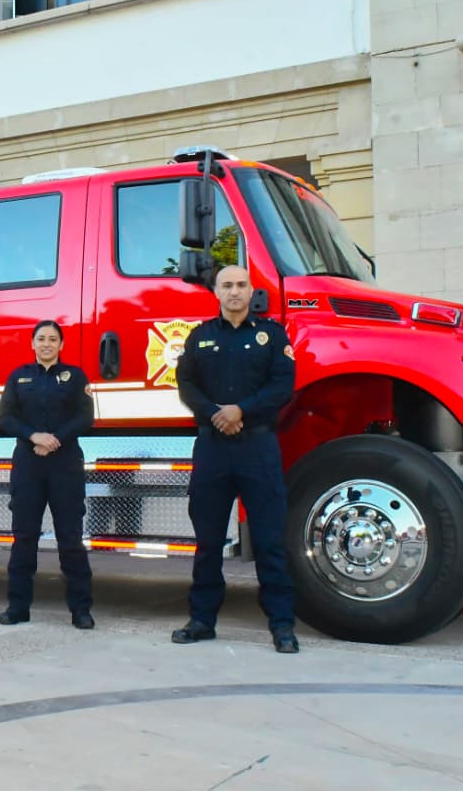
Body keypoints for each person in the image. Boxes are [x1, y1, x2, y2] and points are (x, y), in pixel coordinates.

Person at [172, 265, 299, 653]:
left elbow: (283, 385)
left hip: (257, 448)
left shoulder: (272, 336)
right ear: (216, 293)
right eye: (227, 285)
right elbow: (186, 384)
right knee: (208, 541)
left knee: (269, 541)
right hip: (212, 448)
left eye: (241, 285)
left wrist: (240, 410)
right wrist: (216, 413)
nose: (235, 292)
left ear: (250, 292)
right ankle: (202, 620)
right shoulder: (200, 337)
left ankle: (281, 626)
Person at [0, 320, 95, 629]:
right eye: (41, 339)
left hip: (65, 465)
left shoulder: (75, 377)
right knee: (24, 537)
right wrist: (34, 437)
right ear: (32, 344)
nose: (47, 344)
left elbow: (86, 417)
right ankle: (17, 607)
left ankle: (80, 610)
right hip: (28, 464)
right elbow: (5, 418)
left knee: (70, 539)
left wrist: (54, 439)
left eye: (53, 339)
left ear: (62, 345)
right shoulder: (19, 377)